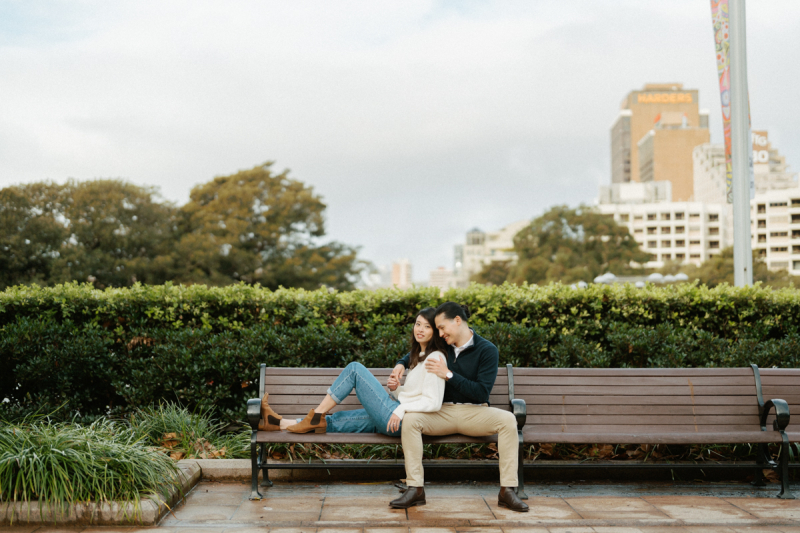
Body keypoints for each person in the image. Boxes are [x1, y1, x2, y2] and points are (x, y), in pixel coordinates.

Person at [387, 302, 529, 512]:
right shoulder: (443, 346)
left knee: (508, 420)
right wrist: (401, 363)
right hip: (441, 412)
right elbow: (416, 352)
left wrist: (448, 374)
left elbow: (481, 392)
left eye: (442, 328)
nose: (440, 333)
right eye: (438, 330)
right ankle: (415, 488)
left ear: (457, 320)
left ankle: (507, 491)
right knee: (411, 420)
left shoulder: (487, 350)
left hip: (474, 412)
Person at [256, 307, 448, 437]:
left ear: (436, 331)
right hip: (393, 416)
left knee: (354, 370)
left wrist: (400, 408)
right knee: (335, 421)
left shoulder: (435, 358)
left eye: (427, 326)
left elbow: (433, 401)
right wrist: (396, 389)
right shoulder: (420, 356)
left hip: (398, 418)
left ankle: (316, 414)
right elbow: (415, 394)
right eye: (417, 324)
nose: (420, 329)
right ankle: (276, 422)